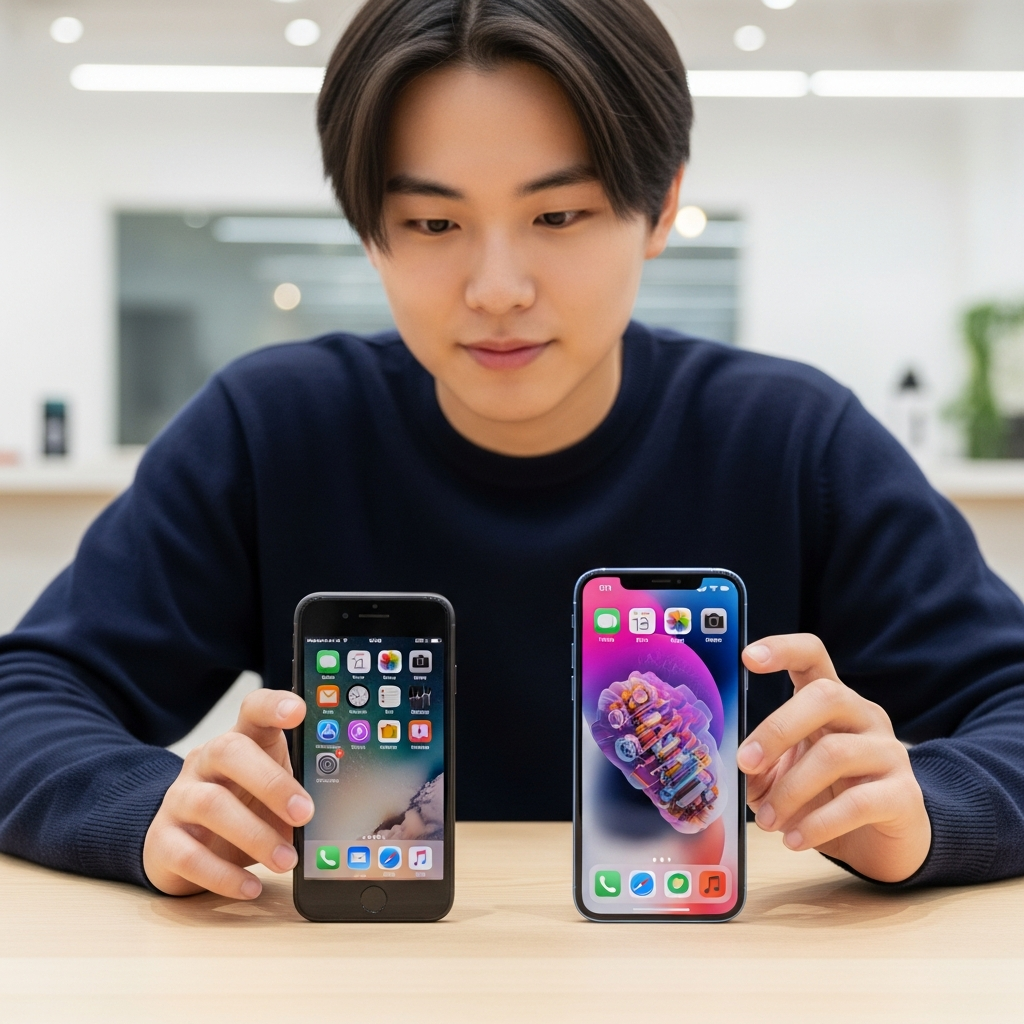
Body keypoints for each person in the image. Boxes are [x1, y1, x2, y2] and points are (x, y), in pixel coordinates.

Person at [2, 0, 1023, 901]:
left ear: (661, 205)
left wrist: (928, 809)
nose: (496, 287)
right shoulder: (270, 429)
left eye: (559, 214)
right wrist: (145, 811)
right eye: (434, 219)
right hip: (359, 980)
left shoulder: (792, 438)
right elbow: (28, 695)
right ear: (371, 231)